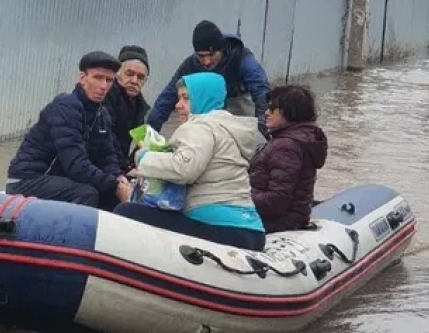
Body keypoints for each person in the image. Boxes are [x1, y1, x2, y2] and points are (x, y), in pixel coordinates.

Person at [114, 72, 266, 251]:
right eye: (178, 99)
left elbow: (184, 169)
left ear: (203, 98)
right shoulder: (226, 127)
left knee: (126, 212)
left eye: (186, 98)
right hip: (251, 230)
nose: (178, 105)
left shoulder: (200, 126)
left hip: (221, 227)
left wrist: (144, 157)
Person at [5, 51, 132, 211]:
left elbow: (107, 157)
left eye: (109, 80)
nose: (103, 86)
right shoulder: (65, 107)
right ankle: (70, 236)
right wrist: (114, 185)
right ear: (82, 78)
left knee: (110, 193)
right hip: (28, 180)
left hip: (59, 179)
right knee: (87, 193)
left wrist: (119, 178)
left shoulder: (102, 115)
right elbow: (75, 165)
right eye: (98, 78)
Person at [147, 20, 270, 137]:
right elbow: (166, 98)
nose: (206, 62)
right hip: (208, 108)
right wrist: (149, 133)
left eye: (211, 55)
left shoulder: (243, 60)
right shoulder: (191, 64)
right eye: (201, 56)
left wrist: (262, 128)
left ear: (221, 49)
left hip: (238, 103)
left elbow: (262, 94)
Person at [249, 84, 327, 233]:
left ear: (288, 113)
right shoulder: (300, 139)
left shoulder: (286, 146)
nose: (266, 113)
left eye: (272, 109)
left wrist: (236, 199)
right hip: (293, 218)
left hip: (277, 222)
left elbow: (276, 200)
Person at [104, 45, 151, 174]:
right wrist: (125, 169)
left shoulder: (142, 108)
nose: (134, 80)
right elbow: (108, 139)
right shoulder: (104, 97)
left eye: (141, 77)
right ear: (117, 74)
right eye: (129, 74)